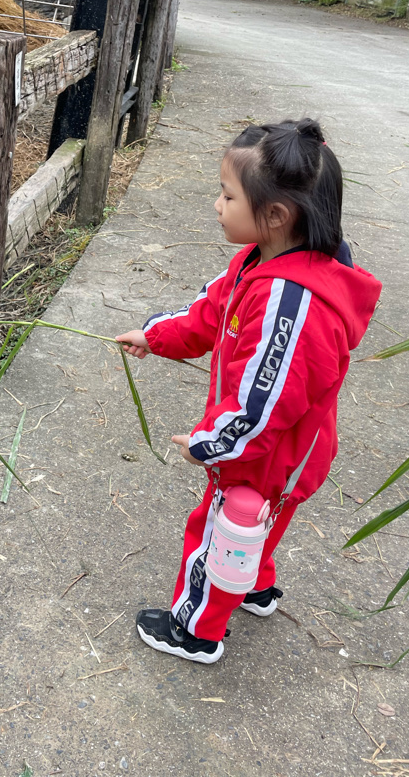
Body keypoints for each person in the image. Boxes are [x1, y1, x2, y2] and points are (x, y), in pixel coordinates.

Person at [115, 118, 381, 664]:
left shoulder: (292, 305)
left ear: (276, 215)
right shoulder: (258, 260)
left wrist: (211, 445)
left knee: (221, 531)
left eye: (228, 195)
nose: (217, 205)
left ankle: (195, 630)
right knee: (261, 524)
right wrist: (156, 336)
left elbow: (265, 404)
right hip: (278, 450)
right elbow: (209, 311)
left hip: (269, 455)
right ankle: (255, 587)